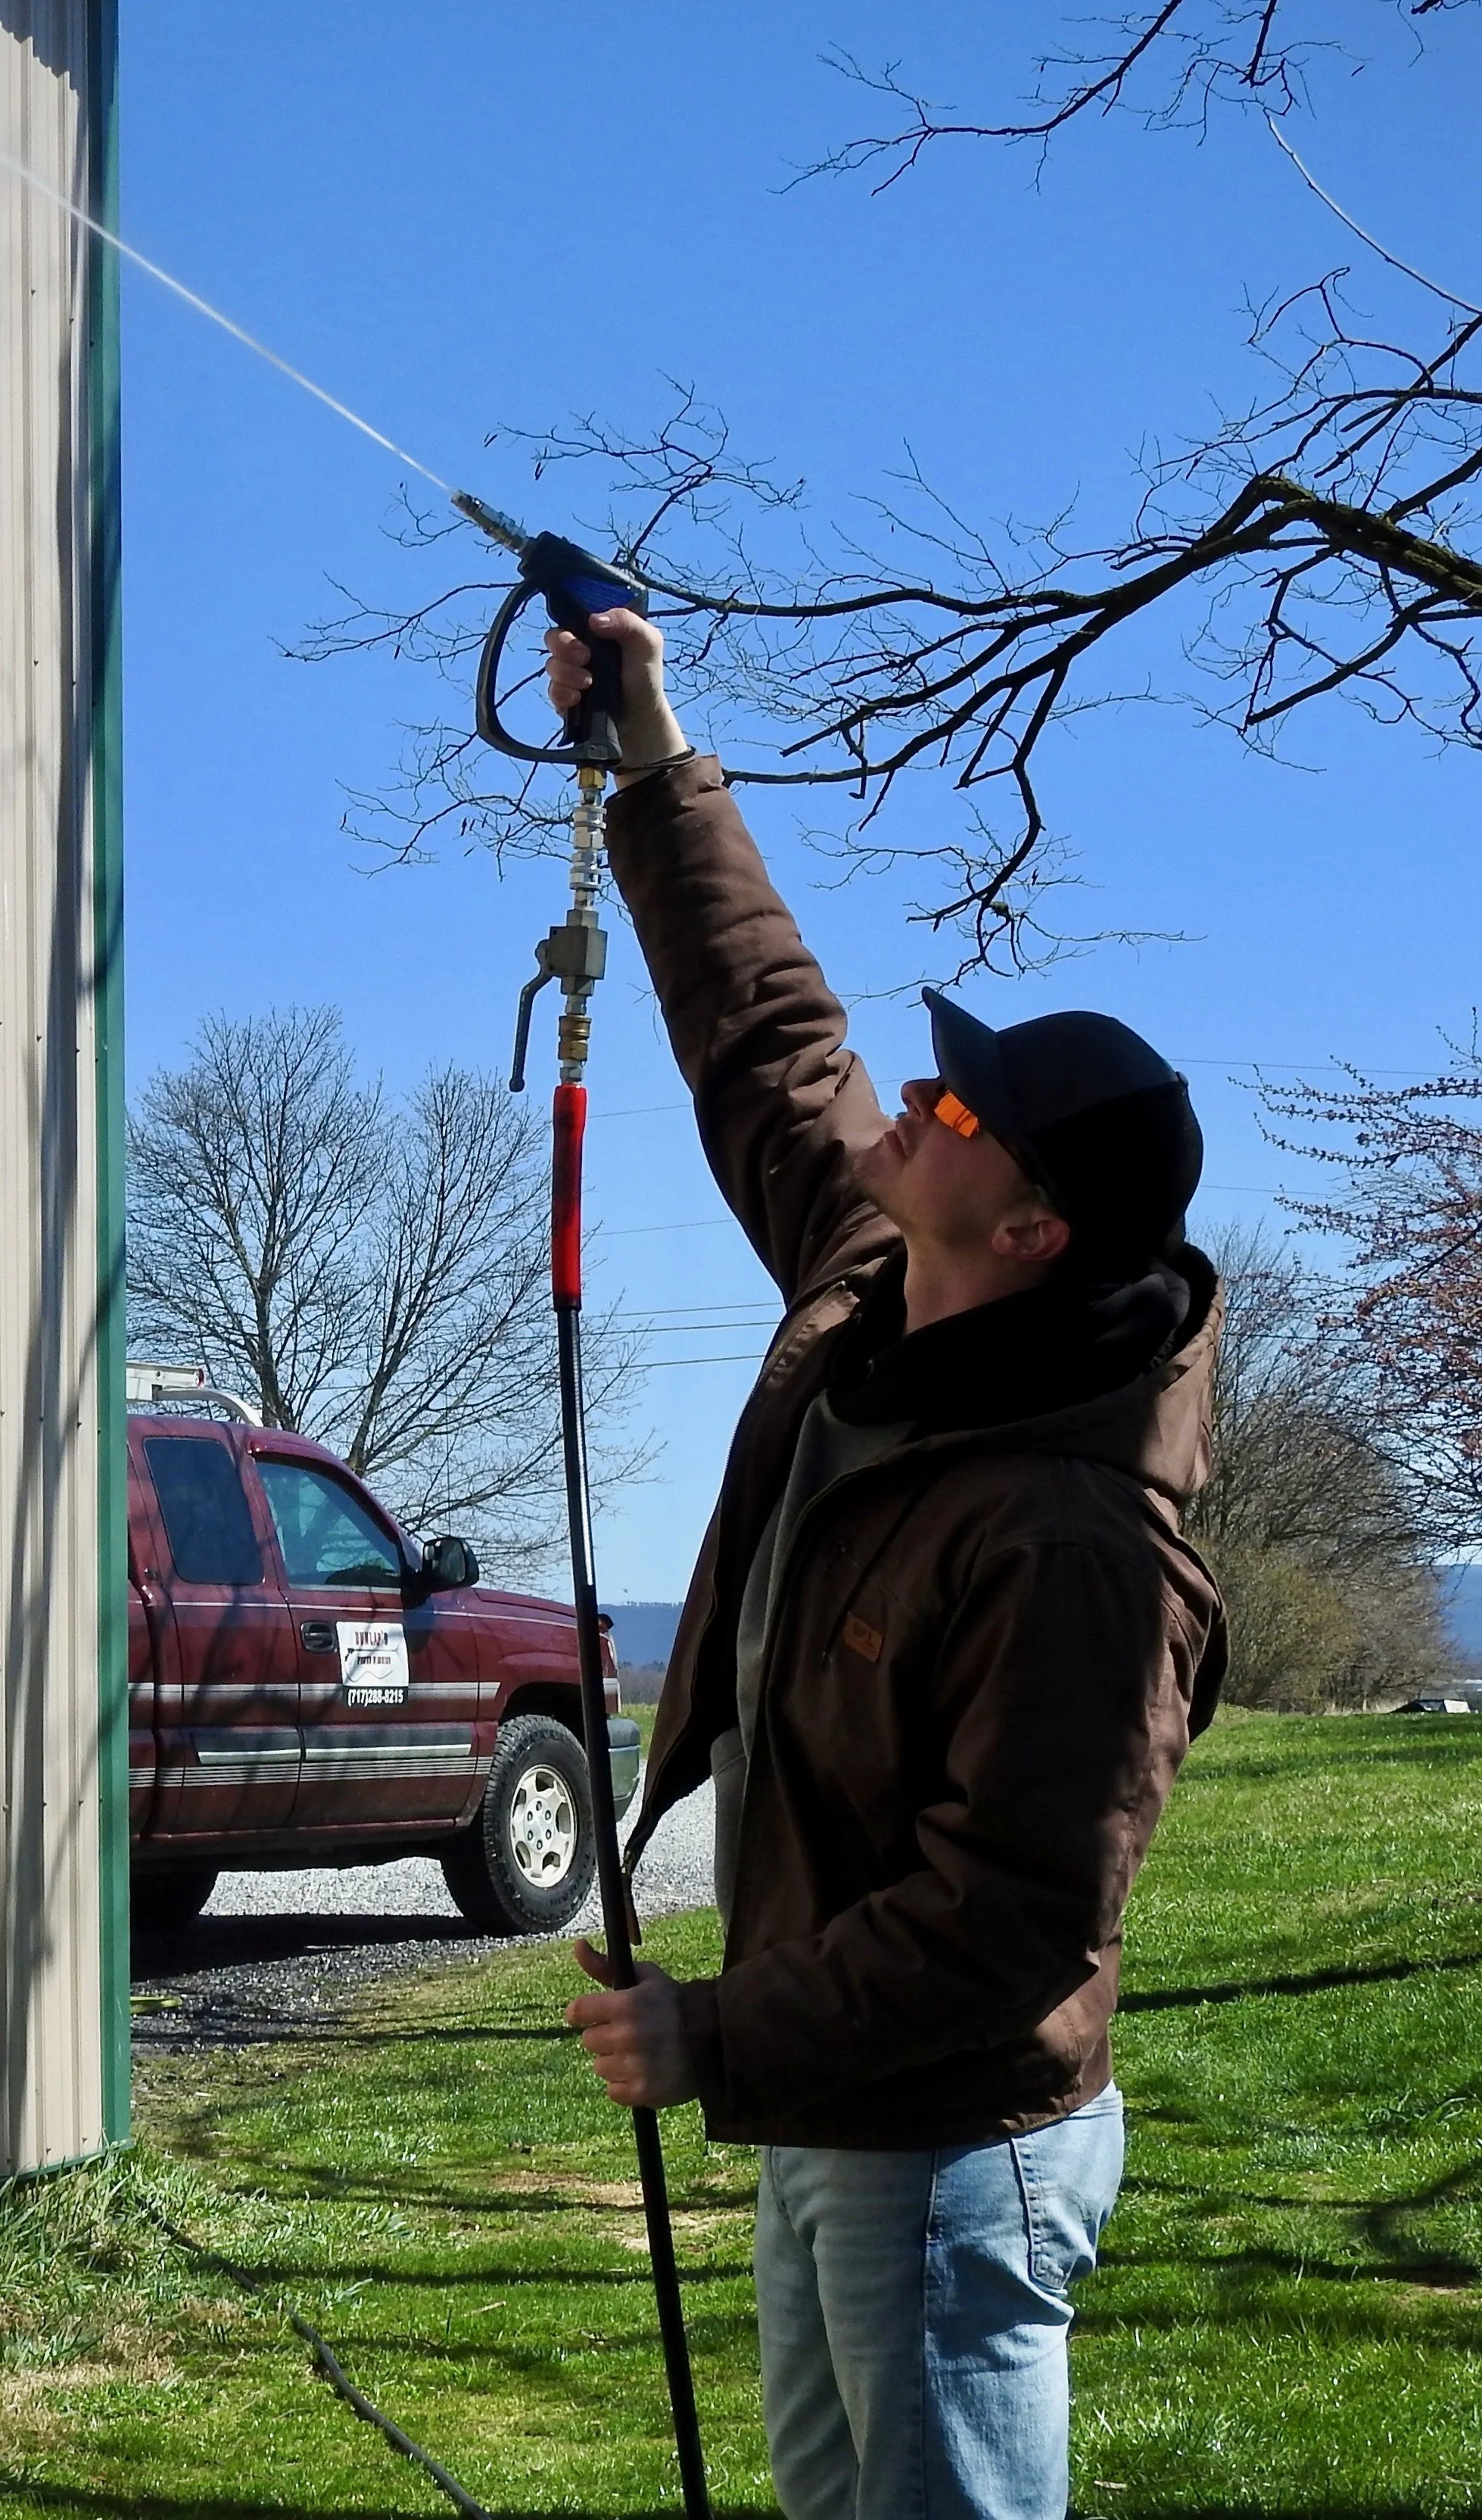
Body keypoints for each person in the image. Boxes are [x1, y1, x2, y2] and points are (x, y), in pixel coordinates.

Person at [552, 606, 1226, 2520]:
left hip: (941, 2146)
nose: (908, 1110)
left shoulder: (1073, 1539)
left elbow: (1012, 1920)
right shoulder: (872, 1288)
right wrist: (655, 764)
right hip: (828, 2096)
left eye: (953, 1112)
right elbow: (775, 1041)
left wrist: (715, 2027)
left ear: (1026, 1230)